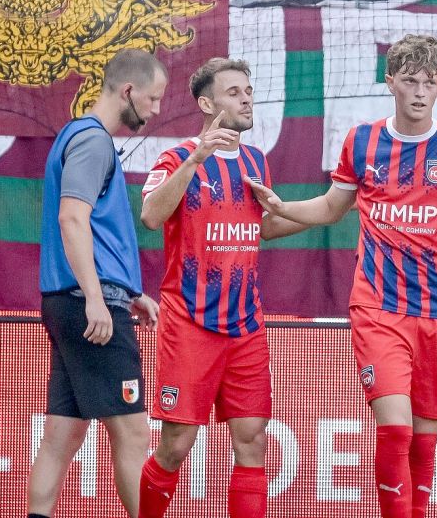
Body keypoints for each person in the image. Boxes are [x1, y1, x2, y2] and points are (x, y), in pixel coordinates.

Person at [246, 34, 437, 518]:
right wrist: (278, 212)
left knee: (425, 443)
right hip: (378, 307)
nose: (420, 91)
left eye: (430, 82)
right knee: (397, 429)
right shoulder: (362, 140)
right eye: (410, 81)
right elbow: (330, 207)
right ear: (391, 82)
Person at [136, 57, 305, 518]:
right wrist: (196, 158)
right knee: (176, 445)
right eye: (234, 92)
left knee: (252, 441)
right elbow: (151, 216)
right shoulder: (176, 158)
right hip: (189, 322)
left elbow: (260, 227)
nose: (247, 98)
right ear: (207, 103)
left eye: (248, 90)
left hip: (246, 326)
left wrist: (330, 210)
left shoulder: (255, 160)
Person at [29, 48, 166, 518]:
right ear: (128, 91)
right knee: (131, 433)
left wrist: (128, 293)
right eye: (153, 98)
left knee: (61, 436)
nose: (156, 108)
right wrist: (96, 297)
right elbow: (72, 218)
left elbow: (94, 233)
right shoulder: (92, 141)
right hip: (86, 304)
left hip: (74, 299)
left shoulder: (77, 136)